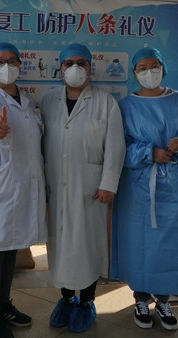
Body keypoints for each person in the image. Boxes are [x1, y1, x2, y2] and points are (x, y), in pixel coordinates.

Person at [110, 46, 178, 331]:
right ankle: (140, 299)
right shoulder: (126, 106)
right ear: (134, 72)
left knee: (170, 245)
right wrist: (150, 153)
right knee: (140, 243)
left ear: (163, 68)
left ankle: (163, 300)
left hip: (174, 186)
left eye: (154, 66)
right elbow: (117, 147)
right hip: (138, 186)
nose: (148, 72)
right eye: (142, 68)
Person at [38, 42, 125, 333]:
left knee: (87, 246)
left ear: (90, 67)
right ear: (60, 68)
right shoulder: (47, 100)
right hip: (55, 187)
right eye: (69, 63)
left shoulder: (105, 101)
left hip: (91, 189)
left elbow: (115, 147)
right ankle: (65, 299)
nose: (75, 68)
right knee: (60, 245)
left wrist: (108, 184)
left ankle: (86, 302)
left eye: (81, 63)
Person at [0, 42, 47, 338]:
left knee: (11, 248)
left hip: (22, 186)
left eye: (12, 60)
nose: (6, 66)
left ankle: (4, 304)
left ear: (20, 65)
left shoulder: (28, 101)